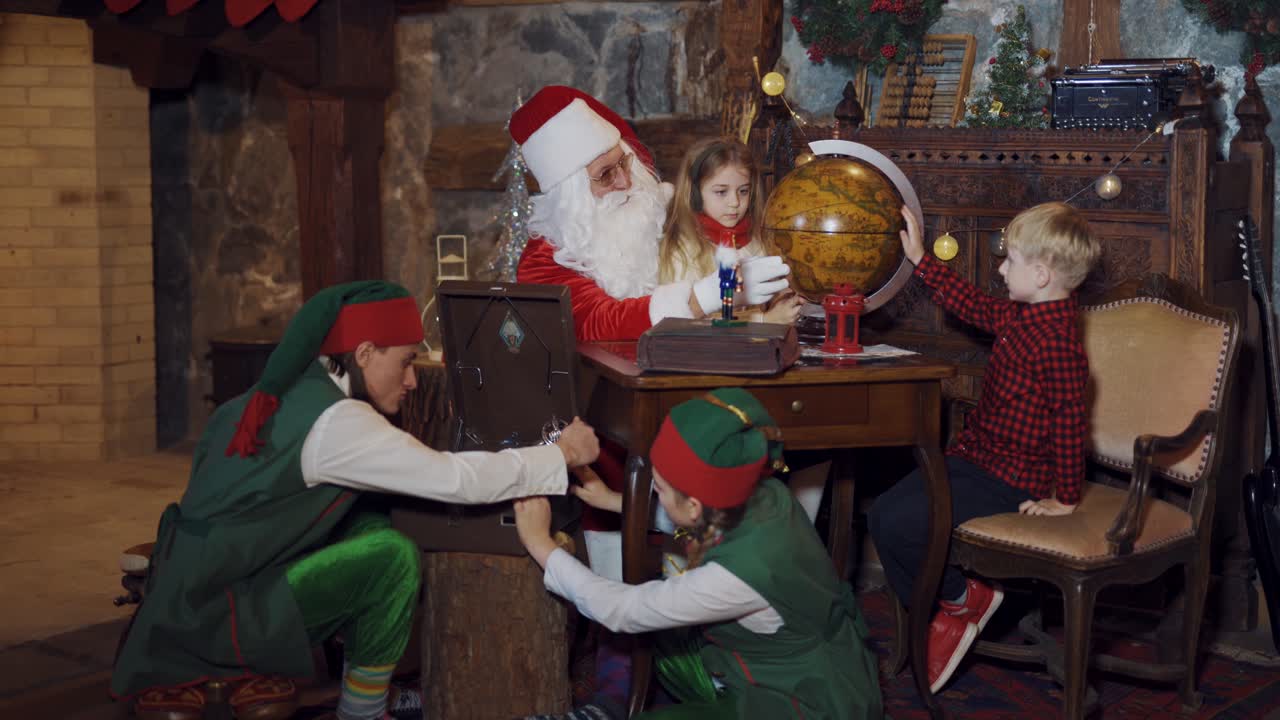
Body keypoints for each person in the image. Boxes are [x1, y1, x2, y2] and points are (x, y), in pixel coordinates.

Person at [111, 281, 600, 720]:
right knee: (392, 558)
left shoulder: (291, 388)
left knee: (369, 518)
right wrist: (558, 453)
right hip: (217, 608)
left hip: (204, 579)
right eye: (406, 360)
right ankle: (363, 711)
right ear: (364, 352)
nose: (412, 380)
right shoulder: (339, 424)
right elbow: (455, 479)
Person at [514, 388, 884, 720]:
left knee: (636, 613)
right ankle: (607, 709)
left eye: (657, 486)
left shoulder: (738, 576)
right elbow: (704, 522)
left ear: (692, 505)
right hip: (791, 662)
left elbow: (622, 610)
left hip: (801, 701)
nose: (653, 491)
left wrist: (541, 545)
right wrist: (617, 501)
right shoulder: (763, 492)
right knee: (657, 620)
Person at [867, 202, 1101, 694]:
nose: (999, 268)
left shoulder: (1058, 342)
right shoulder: (1023, 315)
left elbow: (1070, 422)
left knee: (897, 520)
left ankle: (957, 598)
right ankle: (959, 602)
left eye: (1008, 260)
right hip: (977, 459)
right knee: (885, 512)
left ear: (1040, 275)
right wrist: (919, 258)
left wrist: (1065, 497)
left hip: (1012, 478)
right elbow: (971, 304)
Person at [512, 86, 792, 343]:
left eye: (624, 162)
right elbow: (599, 322)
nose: (625, 182)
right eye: (605, 175)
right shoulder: (544, 261)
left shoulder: (657, 210)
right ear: (569, 195)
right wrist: (711, 294)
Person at [658, 136, 805, 326]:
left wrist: (781, 300)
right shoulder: (681, 253)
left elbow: (767, 299)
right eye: (721, 192)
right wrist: (763, 320)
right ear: (694, 194)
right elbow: (685, 325)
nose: (735, 203)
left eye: (743, 191)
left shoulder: (757, 241)